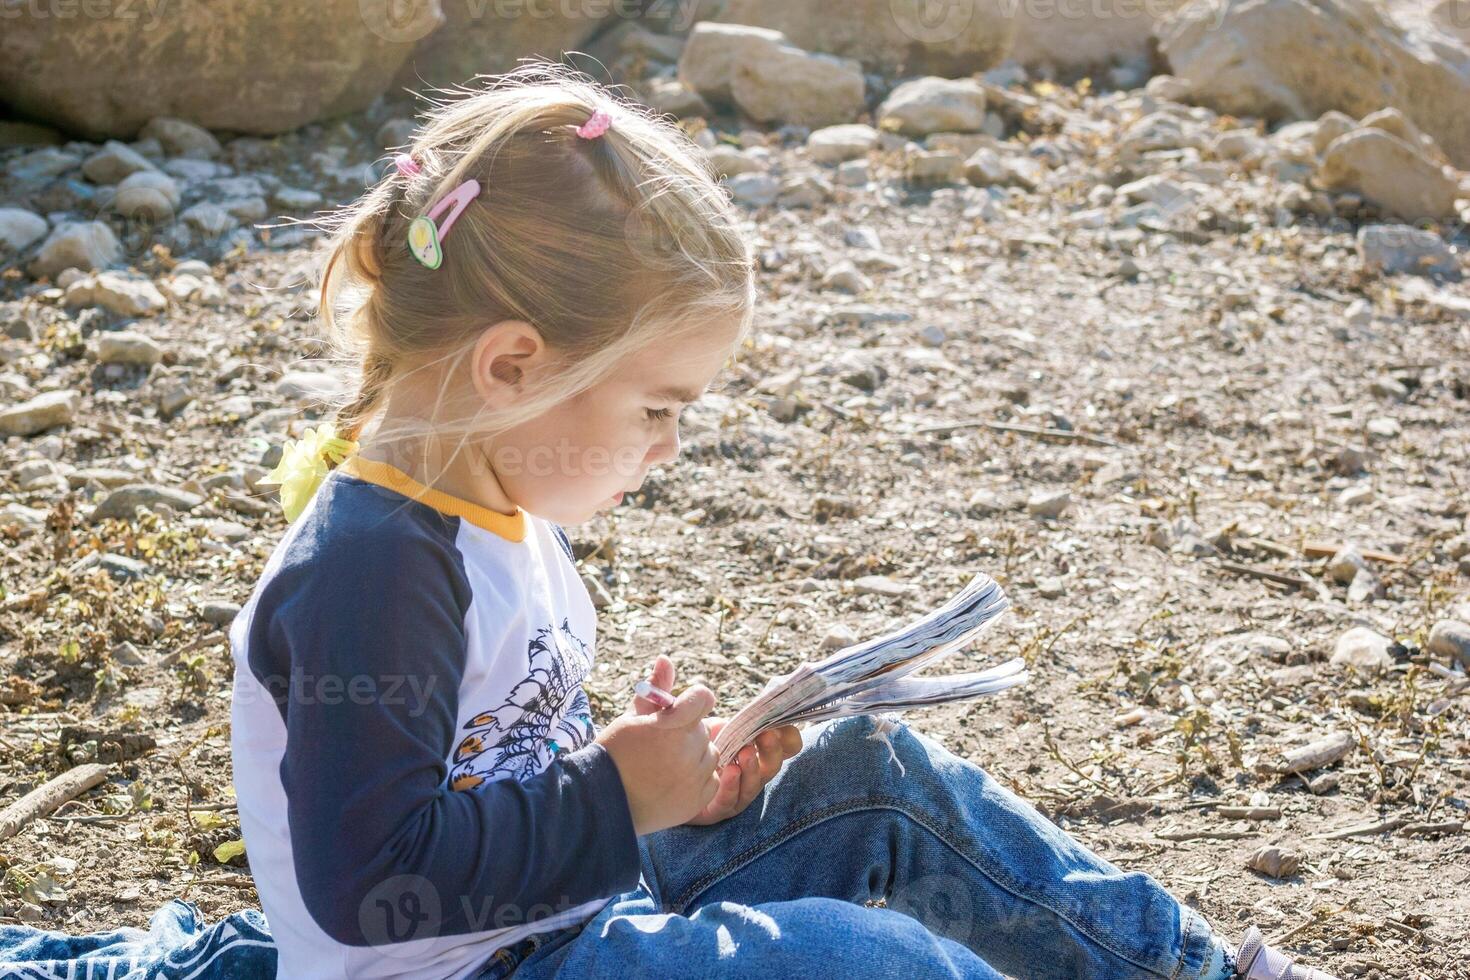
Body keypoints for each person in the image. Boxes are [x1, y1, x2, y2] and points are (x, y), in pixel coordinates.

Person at [227, 64, 1338, 980]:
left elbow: (490, 756)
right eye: (657, 406)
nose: (668, 446)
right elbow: (369, 876)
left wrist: (667, 784)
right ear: (514, 365)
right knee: (858, 959)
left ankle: (1192, 972)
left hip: (572, 913)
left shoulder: (492, 499)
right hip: (488, 967)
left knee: (873, 772)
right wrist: (614, 793)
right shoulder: (373, 569)